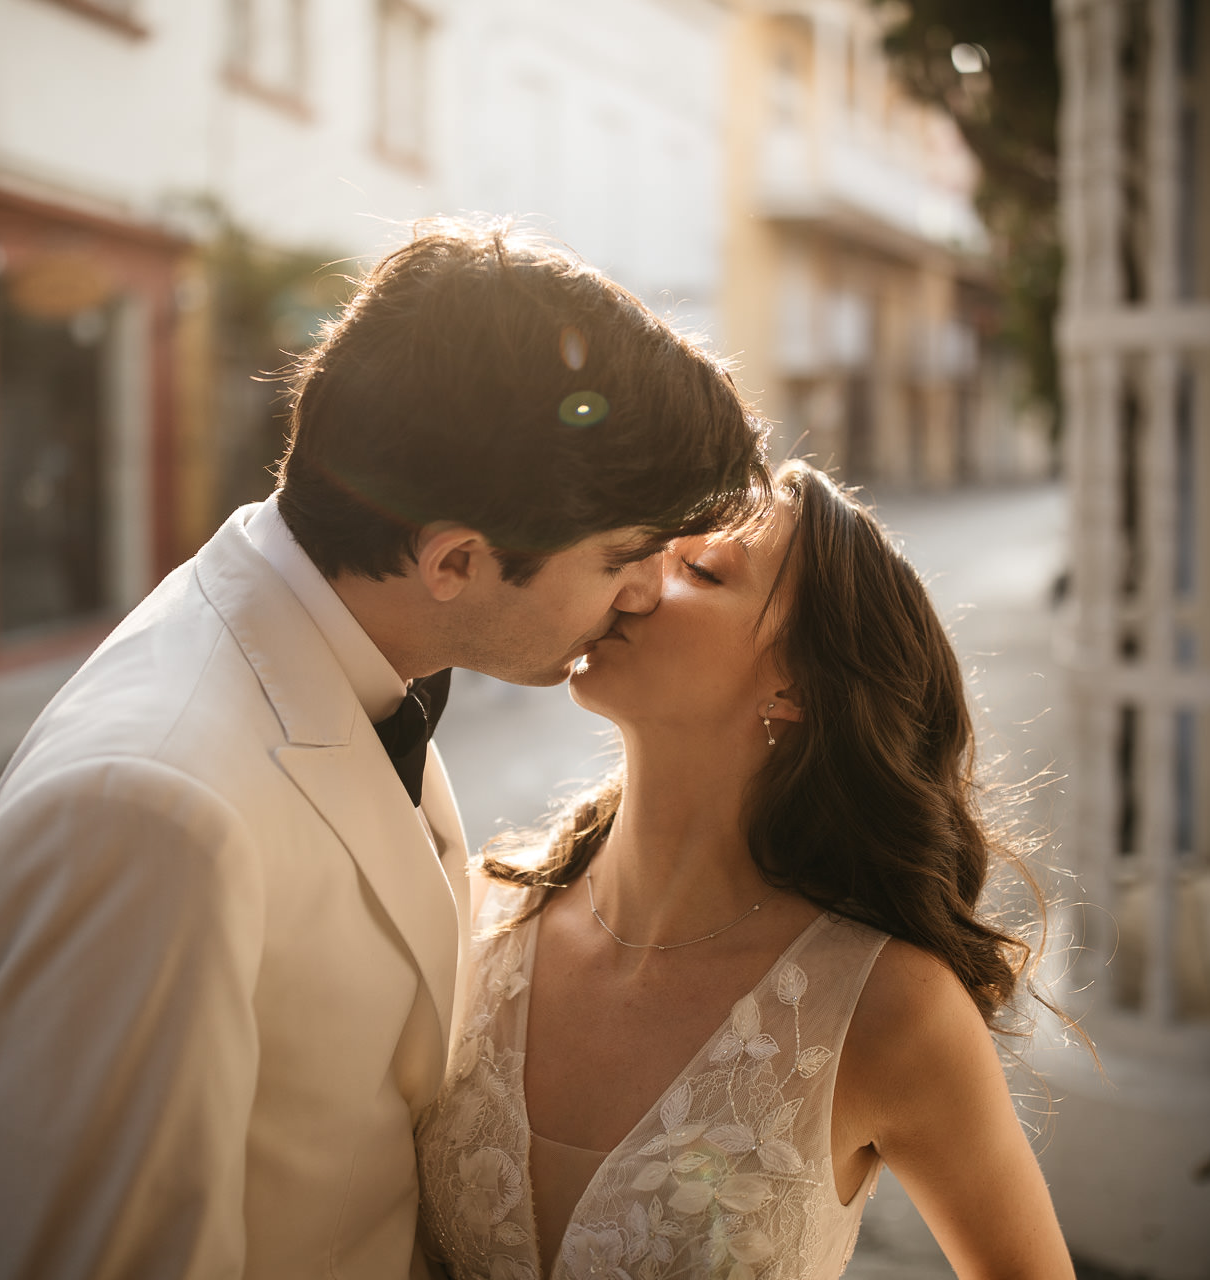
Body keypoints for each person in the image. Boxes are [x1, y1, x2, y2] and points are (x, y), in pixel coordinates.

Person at [0, 220, 767, 1280]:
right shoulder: (147, 810)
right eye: (625, 556)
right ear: (456, 559)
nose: (649, 591)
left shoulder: (358, 646)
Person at [416, 460, 1076, 1280]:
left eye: (698, 568)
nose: (630, 579)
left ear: (793, 686)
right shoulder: (479, 912)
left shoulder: (886, 1010)